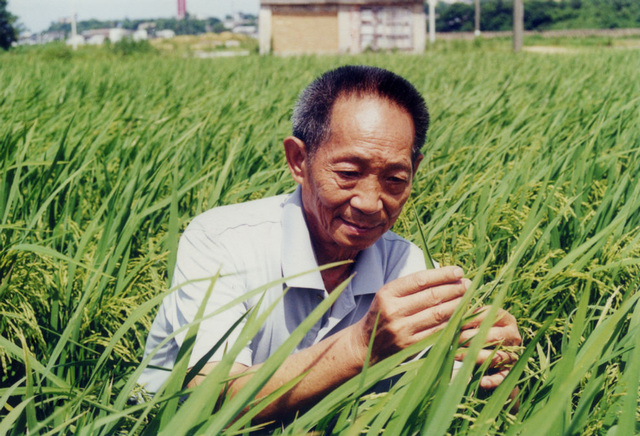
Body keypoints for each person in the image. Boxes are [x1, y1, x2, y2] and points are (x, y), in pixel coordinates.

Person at [139, 65, 521, 422]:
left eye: (395, 179)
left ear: (414, 171)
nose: (370, 203)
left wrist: (495, 368)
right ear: (298, 160)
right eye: (348, 173)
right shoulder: (220, 241)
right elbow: (211, 397)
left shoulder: (405, 263)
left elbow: (446, 396)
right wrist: (362, 346)